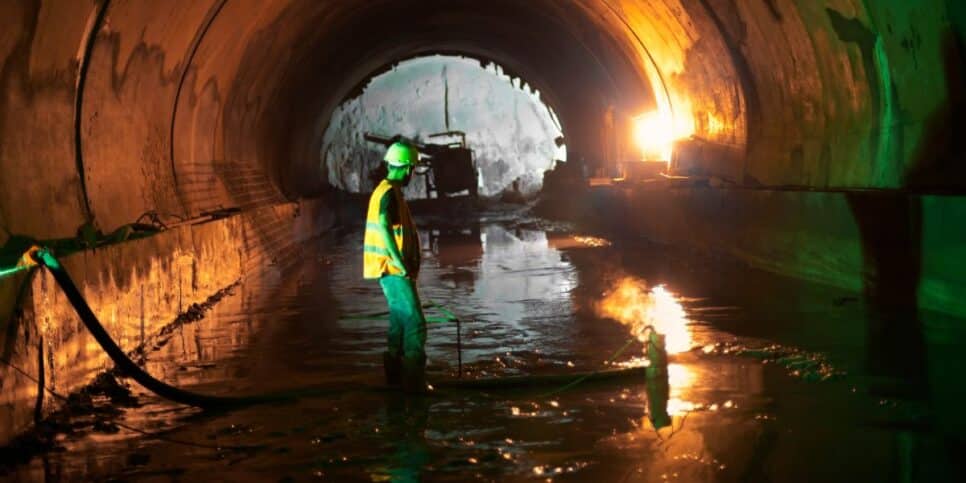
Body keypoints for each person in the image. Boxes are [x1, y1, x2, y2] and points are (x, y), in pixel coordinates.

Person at [363, 141, 427, 392]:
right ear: (407, 168)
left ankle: (395, 380)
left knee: (399, 321)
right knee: (415, 322)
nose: (413, 174)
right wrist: (400, 264)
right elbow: (383, 226)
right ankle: (414, 385)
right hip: (393, 270)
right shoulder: (388, 193)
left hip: (390, 271)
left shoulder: (388, 191)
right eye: (412, 168)